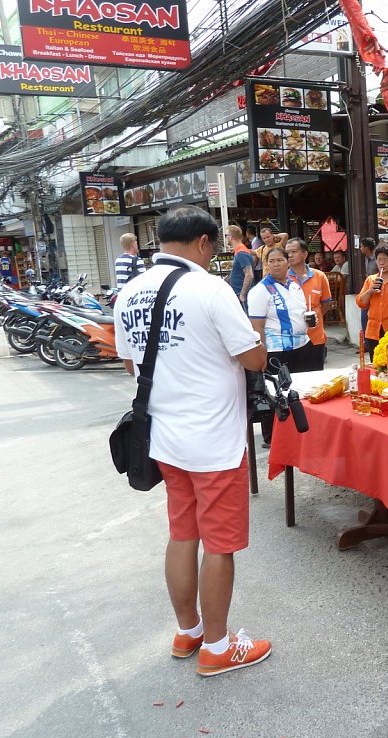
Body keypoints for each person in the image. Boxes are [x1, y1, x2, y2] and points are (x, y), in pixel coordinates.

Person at [113, 205, 271, 677]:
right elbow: (254, 360)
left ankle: (189, 631)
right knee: (219, 545)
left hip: (163, 440)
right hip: (215, 442)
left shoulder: (128, 294)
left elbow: (131, 366)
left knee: (183, 534)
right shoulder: (209, 288)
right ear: (203, 242)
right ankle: (220, 647)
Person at [247, 245, 313, 447]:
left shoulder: (294, 284)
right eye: (271, 261)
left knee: (301, 392)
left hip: (301, 345)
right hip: (276, 350)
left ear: (288, 262)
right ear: (266, 265)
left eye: (280, 260)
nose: (275, 265)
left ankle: (299, 432)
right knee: (275, 395)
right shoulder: (260, 291)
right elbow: (256, 326)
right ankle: (273, 438)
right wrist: (262, 355)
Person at [284, 237, 332, 371]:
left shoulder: (319, 276)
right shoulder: (283, 278)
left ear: (305, 254)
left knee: (316, 378)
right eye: (287, 252)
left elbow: (325, 303)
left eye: (294, 251)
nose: (290, 255)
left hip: (315, 337)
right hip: (291, 339)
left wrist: (315, 317)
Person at [226, 224, 255, 307]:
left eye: (226, 235)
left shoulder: (241, 253)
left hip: (241, 295)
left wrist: (242, 294)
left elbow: (249, 275)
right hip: (240, 293)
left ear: (230, 237)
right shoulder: (240, 251)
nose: (226, 238)